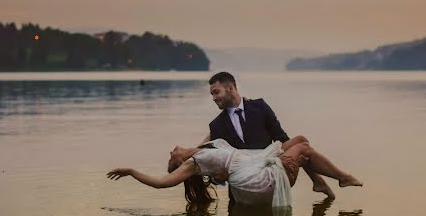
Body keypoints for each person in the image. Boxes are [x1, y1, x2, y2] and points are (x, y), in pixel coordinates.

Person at [106, 136, 361, 208]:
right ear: (178, 162)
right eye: (171, 157)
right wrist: (130, 170)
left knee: (299, 141)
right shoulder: (193, 162)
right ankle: (343, 178)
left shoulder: (205, 148)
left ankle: (320, 184)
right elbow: (161, 183)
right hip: (261, 181)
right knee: (304, 148)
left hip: (254, 184)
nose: (171, 150)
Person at [204, 71, 336, 200]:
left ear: (230, 88)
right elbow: (215, 168)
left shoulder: (259, 107)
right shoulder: (216, 125)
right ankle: (320, 181)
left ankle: (318, 181)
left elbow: (281, 138)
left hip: (268, 173)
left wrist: (291, 163)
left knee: (301, 142)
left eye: (216, 92)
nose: (214, 98)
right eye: (212, 94)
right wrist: (217, 177)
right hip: (243, 184)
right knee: (302, 142)